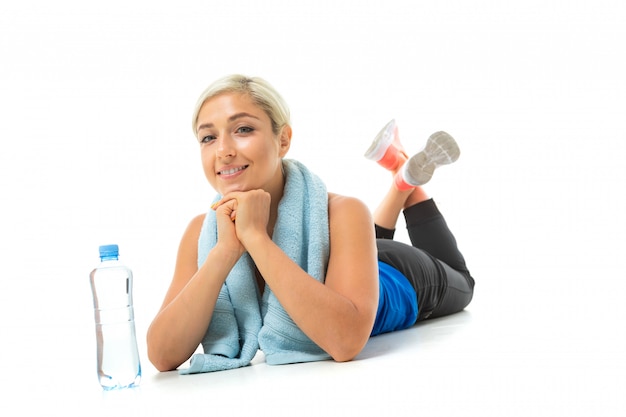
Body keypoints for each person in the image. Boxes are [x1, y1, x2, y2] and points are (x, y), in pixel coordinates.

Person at [146, 74, 475, 373]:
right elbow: (162, 355)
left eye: (243, 129)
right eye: (208, 137)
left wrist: (256, 238)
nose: (223, 150)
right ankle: (400, 175)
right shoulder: (202, 233)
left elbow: (344, 342)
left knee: (462, 281)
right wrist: (225, 250)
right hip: (350, 261)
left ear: (283, 140)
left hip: (397, 277)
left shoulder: (343, 212)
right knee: (353, 246)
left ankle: (406, 180)